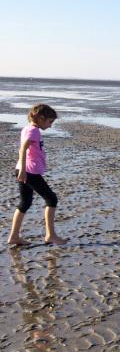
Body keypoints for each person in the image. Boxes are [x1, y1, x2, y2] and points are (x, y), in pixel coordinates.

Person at [7, 104, 67, 246]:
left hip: (24, 170)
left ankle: (14, 237)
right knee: (51, 199)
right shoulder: (34, 131)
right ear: (41, 118)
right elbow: (23, 149)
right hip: (29, 171)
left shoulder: (28, 128)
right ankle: (50, 235)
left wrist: (22, 169)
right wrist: (23, 170)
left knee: (25, 202)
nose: (50, 125)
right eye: (49, 121)